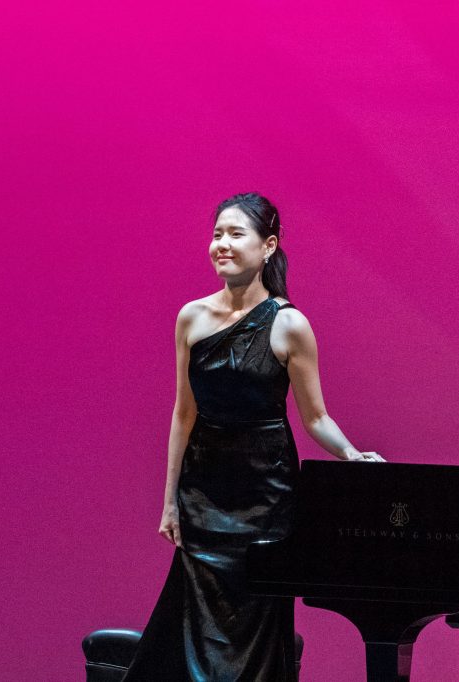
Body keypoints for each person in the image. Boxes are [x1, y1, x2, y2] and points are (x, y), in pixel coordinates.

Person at [122, 192, 384, 681]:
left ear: (268, 246)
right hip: (203, 495)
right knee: (194, 632)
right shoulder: (191, 318)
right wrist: (170, 503)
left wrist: (351, 453)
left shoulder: (290, 324)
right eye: (217, 234)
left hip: (266, 499)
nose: (222, 244)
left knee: (258, 630)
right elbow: (184, 414)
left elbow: (316, 417)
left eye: (235, 234)